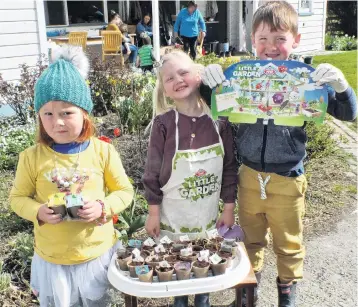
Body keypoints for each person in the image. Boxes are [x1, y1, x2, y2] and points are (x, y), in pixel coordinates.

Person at [200, 1, 357, 306]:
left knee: (289, 244)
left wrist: (341, 86)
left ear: (295, 40)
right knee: (249, 240)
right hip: (248, 177)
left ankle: (288, 296)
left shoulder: (308, 80)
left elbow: (348, 113)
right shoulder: (240, 78)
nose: (270, 47)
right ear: (251, 41)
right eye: (263, 39)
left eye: (280, 39)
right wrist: (209, 84)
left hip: (288, 178)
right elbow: (216, 105)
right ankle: (248, 293)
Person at [9, 45, 134, 307]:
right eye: (48, 114)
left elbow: (125, 191)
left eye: (67, 112)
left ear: (84, 113)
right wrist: (38, 211)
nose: (58, 122)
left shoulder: (102, 151)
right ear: (39, 117)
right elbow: (18, 198)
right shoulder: (31, 157)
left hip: (96, 253)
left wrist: (103, 207)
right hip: (54, 258)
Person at [142, 50, 238, 307]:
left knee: (204, 277)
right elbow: (151, 174)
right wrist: (153, 214)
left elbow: (229, 168)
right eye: (169, 78)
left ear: (198, 75)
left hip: (207, 220)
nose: (178, 80)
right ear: (164, 90)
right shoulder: (163, 125)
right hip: (173, 223)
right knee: (179, 279)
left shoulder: (220, 121)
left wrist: (228, 208)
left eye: (183, 72)